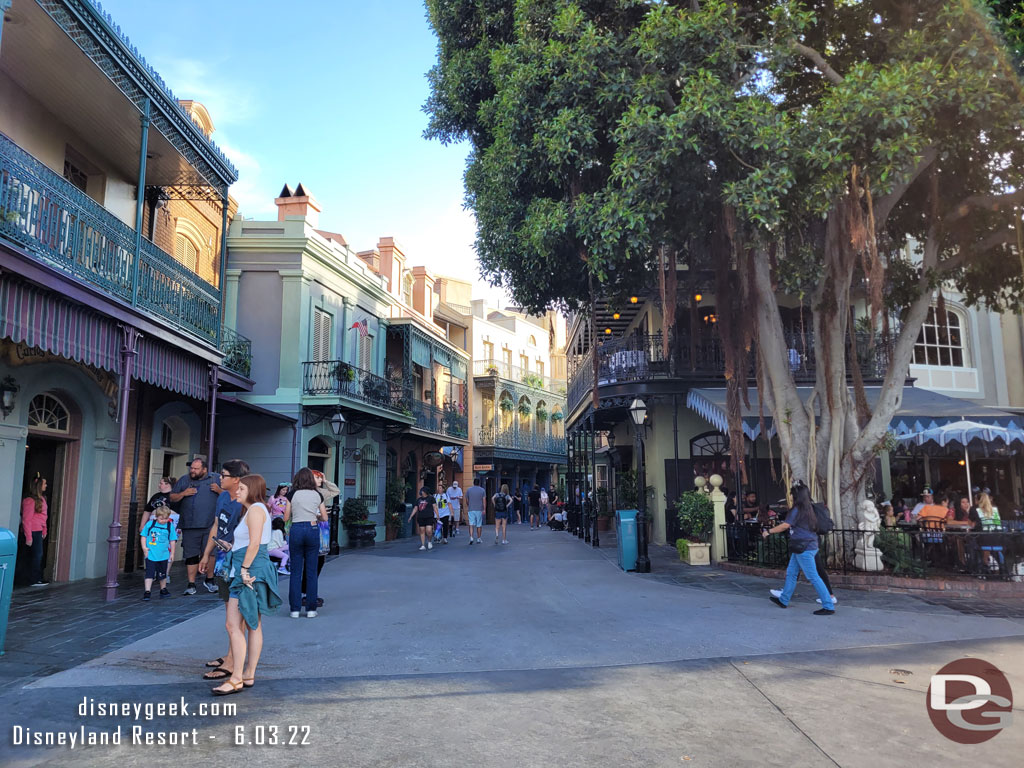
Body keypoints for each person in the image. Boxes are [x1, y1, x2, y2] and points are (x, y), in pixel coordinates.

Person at [211, 473, 281, 696]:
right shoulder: (256, 510)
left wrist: (243, 570)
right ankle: (247, 674)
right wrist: (231, 549)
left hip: (248, 572)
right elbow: (251, 543)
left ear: (251, 489)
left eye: (241, 488)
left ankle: (237, 678)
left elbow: (254, 544)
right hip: (250, 569)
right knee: (252, 624)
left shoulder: (256, 510)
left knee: (234, 625)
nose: (238, 491)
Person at [197, 459, 250, 681]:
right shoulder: (222, 497)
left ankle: (231, 662)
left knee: (235, 615)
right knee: (229, 608)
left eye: (224, 475)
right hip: (221, 558)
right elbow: (218, 526)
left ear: (236, 479)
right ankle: (230, 655)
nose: (220, 478)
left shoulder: (243, 502)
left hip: (236, 560)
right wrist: (207, 554)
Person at [763, 482, 835, 614]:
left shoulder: (797, 509)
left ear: (796, 496)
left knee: (813, 577)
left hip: (803, 547)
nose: (790, 496)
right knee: (791, 573)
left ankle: (828, 605)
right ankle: (784, 600)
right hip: (806, 545)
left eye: (791, 494)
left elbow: (785, 525)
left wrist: (769, 531)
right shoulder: (809, 508)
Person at [170, 458, 221, 595]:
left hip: (211, 525)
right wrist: (183, 493)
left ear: (204, 469)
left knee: (210, 553)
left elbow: (231, 496)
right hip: (190, 524)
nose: (192, 471)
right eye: (191, 468)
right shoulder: (184, 480)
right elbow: (172, 497)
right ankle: (191, 584)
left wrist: (219, 490)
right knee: (191, 555)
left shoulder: (215, 479)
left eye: (196, 468)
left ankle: (210, 580)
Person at [285, 468, 327, 618]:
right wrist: (316, 517)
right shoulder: (317, 494)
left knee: (295, 571)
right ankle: (311, 609)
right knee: (311, 571)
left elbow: (286, 517)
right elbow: (324, 517)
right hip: (312, 528)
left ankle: (295, 609)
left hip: (296, 528)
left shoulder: (292, 494)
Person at [140, 505, 177, 601]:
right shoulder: (150, 524)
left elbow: (172, 540)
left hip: (163, 554)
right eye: (161, 519)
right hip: (151, 554)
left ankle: (163, 589)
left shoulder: (169, 526)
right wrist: (144, 548)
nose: (163, 521)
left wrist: (172, 553)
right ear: (156, 517)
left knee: (162, 573)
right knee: (149, 573)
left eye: (166, 518)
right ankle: (147, 591)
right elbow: (143, 536)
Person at [21, 476, 49, 586]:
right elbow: (26, 519)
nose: (46, 486)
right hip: (32, 531)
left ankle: (36, 578)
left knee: (38, 555)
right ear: (38, 486)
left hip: (38, 530)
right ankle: (33, 579)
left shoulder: (42, 499)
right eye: (44, 484)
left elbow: (43, 516)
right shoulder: (29, 500)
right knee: (36, 555)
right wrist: (28, 536)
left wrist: (44, 529)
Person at [409, 486, 438, 551]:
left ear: (425, 492)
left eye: (422, 491)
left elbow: (434, 507)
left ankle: (429, 541)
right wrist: (411, 516)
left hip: (429, 516)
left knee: (429, 531)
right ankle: (423, 545)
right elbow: (416, 508)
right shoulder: (418, 500)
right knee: (422, 531)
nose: (421, 492)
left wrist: (437, 515)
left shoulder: (431, 498)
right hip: (421, 517)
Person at [465, 478, 486, 544]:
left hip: (471, 508)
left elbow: (467, 500)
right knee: (479, 524)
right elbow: (484, 500)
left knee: (471, 524)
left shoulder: (469, 490)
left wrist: (469, 505)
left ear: (473, 483)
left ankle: (471, 537)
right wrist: (484, 509)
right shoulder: (482, 490)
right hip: (479, 509)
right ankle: (479, 538)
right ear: (479, 483)